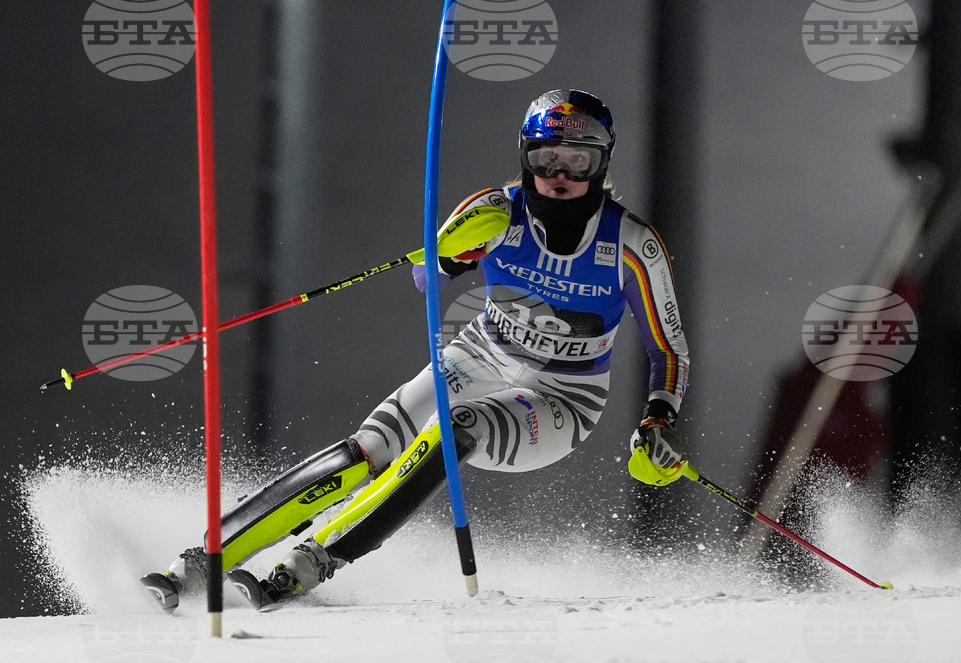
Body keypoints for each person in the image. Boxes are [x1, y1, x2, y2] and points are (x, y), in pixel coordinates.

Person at [141, 89, 691, 612]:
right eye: (545, 158)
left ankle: (311, 561)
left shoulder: (631, 245)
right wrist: (446, 254)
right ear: (526, 156)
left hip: (563, 397)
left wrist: (657, 420)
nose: (561, 175)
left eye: (579, 161)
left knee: (456, 429)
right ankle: (204, 561)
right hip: (480, 354)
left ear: (603, 162)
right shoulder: (496, 211)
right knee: (368, 450)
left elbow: (668, 348)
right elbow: (427, 280)